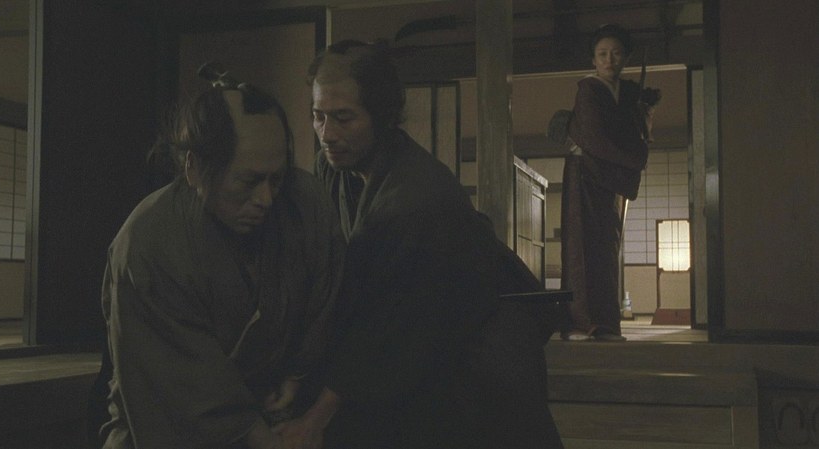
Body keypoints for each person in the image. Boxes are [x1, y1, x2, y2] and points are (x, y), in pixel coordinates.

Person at [273, 40, 563, 449]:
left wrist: (315, 419)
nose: (327, 134)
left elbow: (392, 328)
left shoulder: (417, 199)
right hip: (401, 341)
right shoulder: (335, 165)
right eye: (318, 116)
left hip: (466, 351)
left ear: (383, 115)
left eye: (343, 118)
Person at [98, 72, 345, 448]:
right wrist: (259, 437)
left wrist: (297, 377)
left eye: (276, 179)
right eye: (248, 181)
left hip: (276, 416)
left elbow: (327, 303)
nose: (266, 198)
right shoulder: (148, 241)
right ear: (194, 167)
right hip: (170, 424)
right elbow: (180, 382)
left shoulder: (305, 202)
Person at [559, 24, 659, 342]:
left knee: (605, 250)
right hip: (584, 174)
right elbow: (596, 139)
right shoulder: (590, 89)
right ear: (593, 60)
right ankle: (580, 324)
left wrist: (642, 111)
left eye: (616, 53)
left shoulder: (621, 93)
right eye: (602, 54)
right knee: (582, 248)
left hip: (606, 179)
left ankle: (605, 323)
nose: (609, 60)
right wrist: (636, 157)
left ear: (626, 58)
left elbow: (629, 128)